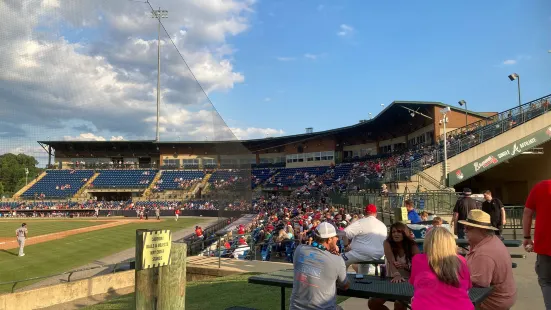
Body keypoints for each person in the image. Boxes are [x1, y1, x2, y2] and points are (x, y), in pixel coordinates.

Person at [460, 209, 516, 310]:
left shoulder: (484, 253)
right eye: (464, 227)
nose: (464, 230)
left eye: (468, 227)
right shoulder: (491, 240)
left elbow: (479, 284)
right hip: (504, 296)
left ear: (482, 230)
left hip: (492, 302)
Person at [410, 227, 473, 310]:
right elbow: (467, 288)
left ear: (428, 243)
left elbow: (416, 284)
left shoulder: (417, 259)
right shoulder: (461, 260)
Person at [290, 222, 349, 310]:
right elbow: (345, 286)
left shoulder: (299, 250)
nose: (337, 239)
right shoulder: (337, 260)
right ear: (329, 240)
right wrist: (336, 257)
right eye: (336, 237)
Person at [368, 222, 420, 310]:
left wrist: (405, 266)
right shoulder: (387, 243)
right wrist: (396, 274)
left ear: (405, 233)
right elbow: (391, 260)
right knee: (373, 302)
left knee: (399, 303)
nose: (396, 234)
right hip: (391, 280)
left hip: (408, 282)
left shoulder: (412, 246)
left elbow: (418, 268)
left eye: (399, 232)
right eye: (393, 232)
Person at [523, 180, 551, 309]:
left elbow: (527, 213)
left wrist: (527, 237)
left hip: (545, 248)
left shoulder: (541, 186)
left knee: (546, 282)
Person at [342, 204, 387, 275]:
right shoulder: (383, 225)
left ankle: (342, 283)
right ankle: (362, 278)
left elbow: (344, 233)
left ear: (365, 212)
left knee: (340, 260)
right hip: (379, 254)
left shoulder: (361, 222)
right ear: (376, 213)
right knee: (363, 264)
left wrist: (345, 246)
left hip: (361, 253)